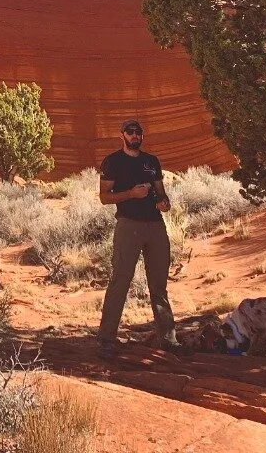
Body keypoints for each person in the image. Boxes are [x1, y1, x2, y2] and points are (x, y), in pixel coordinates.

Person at [96, 118, 178, 358]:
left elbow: (161, 194)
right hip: (128, 225)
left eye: (138, 132)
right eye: (130, 132)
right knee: (120, 279)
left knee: (159, 284)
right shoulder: (113, 162)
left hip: (155, 225)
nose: (135, 136)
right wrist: (131, 193)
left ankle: (168, 339)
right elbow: (104, 197)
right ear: (122, 135)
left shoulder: (151, 162)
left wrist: (164, 204)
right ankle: (107, 337)